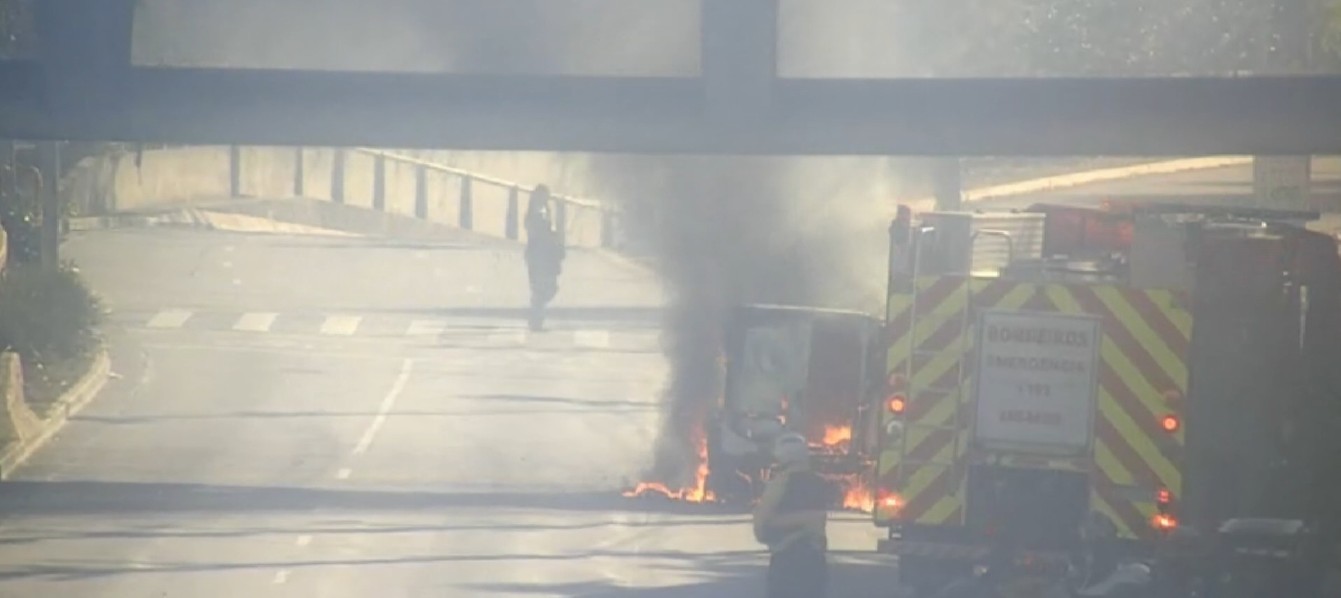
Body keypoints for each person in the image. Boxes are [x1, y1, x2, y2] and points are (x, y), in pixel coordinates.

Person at [753, 432, 829, 598]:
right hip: (815, 560)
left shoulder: (780, 483)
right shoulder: (819, 484)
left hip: (785, 559)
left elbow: (761, 527)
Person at [523, 185, 565, 331]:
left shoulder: (546, 211)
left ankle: (536, 316)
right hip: (538, 254)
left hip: (547, 254)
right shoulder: (535, 213)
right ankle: (536, 319)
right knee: (541, 288)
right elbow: (536, 231)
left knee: (546, 288)